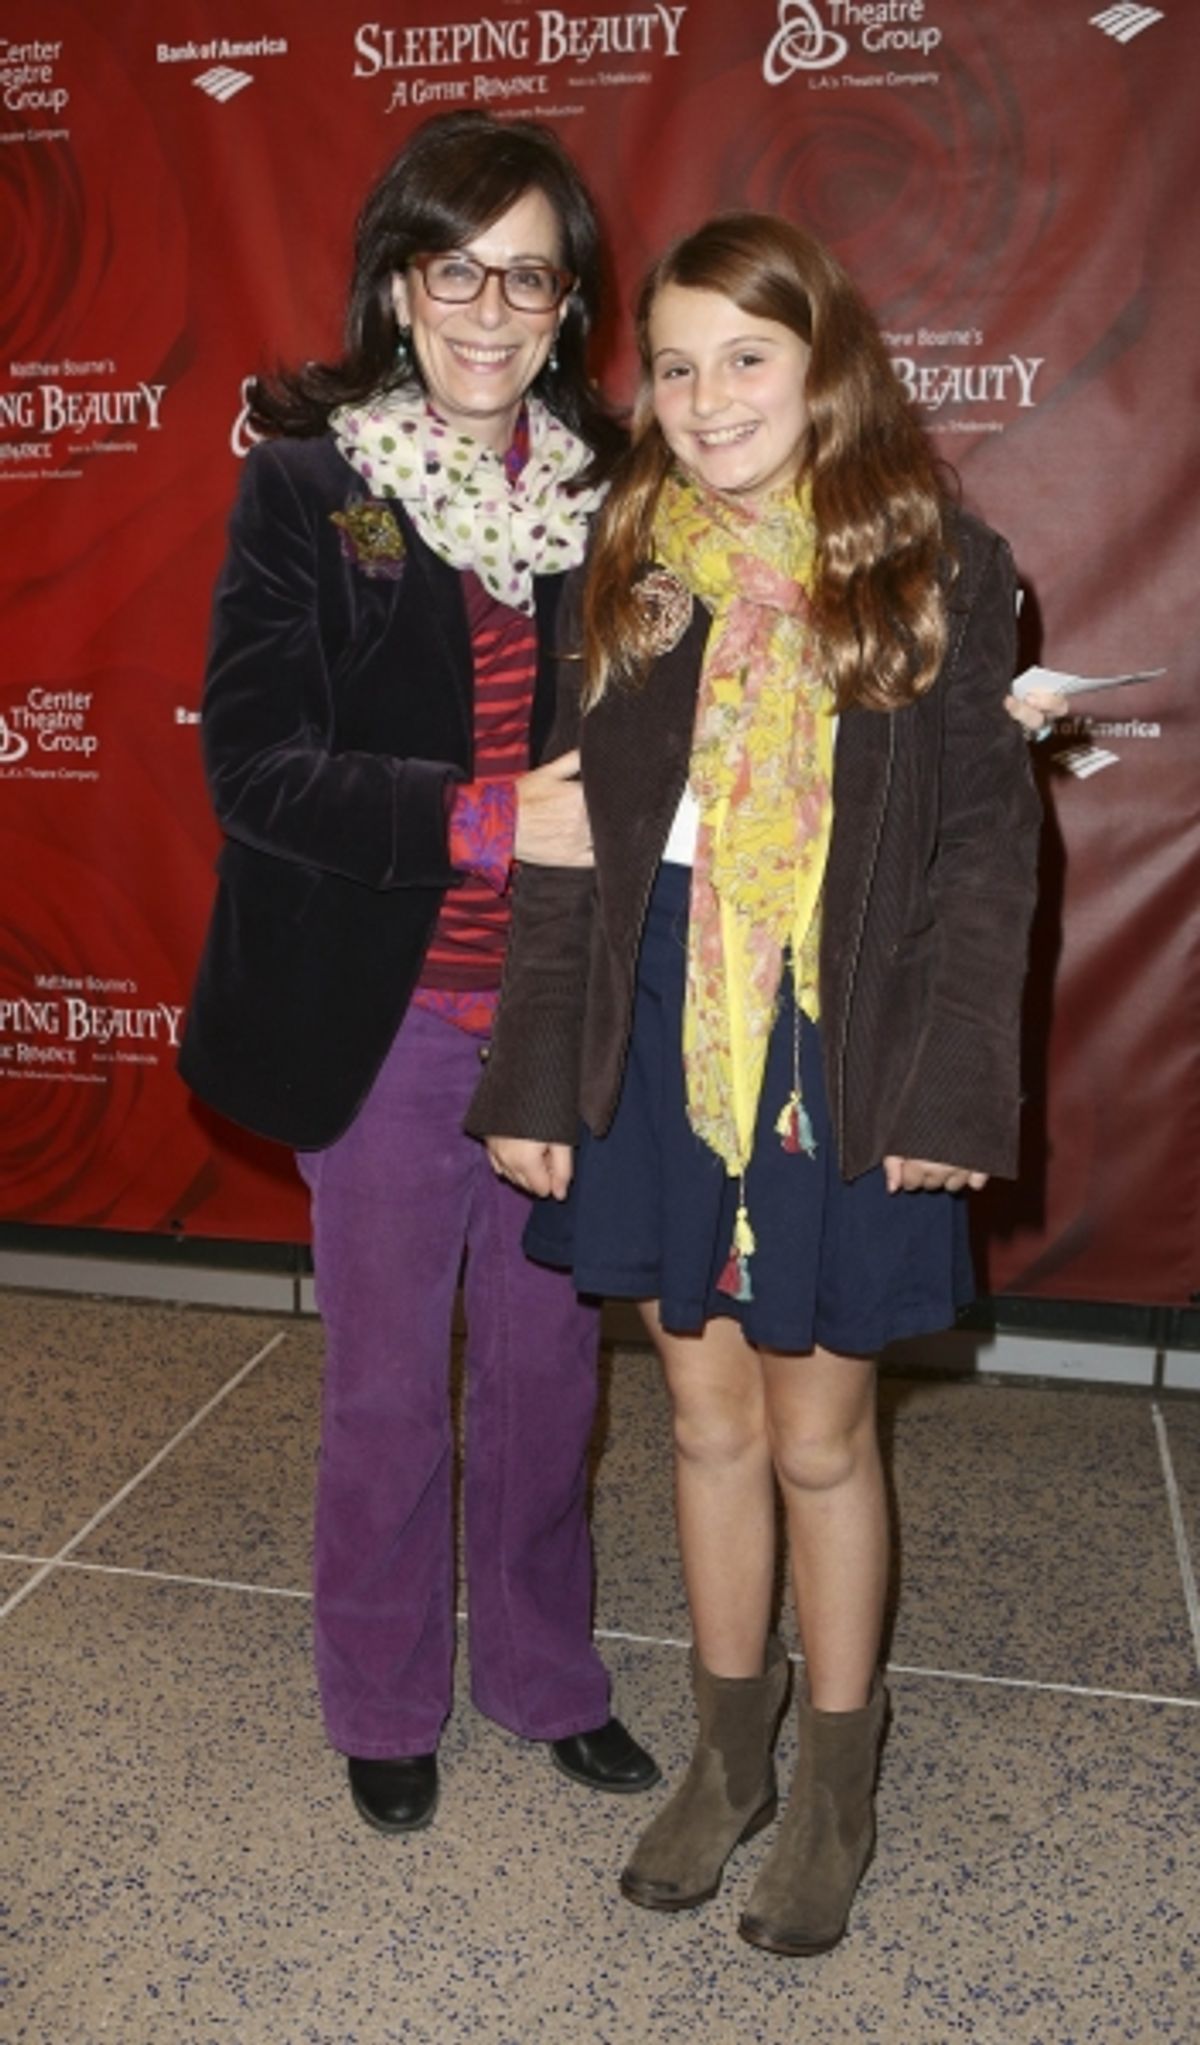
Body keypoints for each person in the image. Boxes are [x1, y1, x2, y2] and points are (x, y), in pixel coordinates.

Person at [468, 212, 1042, 1954]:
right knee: (703, 1418)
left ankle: (840, 1782)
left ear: (823, 366)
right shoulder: (628, 565)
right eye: (678, 364)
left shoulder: (933, 564)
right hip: (659, 1023)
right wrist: (533, 1076)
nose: (710, 397)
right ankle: (731, 1756)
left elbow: (984, 854)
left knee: (816, 1434)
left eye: (748, 357)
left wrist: (952, 1091)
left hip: (839, 1040)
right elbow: (568, 845)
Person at [178, 111, 660, 1836]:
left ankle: (544, 1675)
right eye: (455, 271)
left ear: (567, 305)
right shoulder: (315, 485)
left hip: (557, 1014)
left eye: (528, 278)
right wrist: (483, 819)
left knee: (550, 1376)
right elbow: (254, 764)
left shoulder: (620, 499)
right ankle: (383, 1695)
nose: (489, 310)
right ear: (397, 285)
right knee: (388, 1385)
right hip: (378, 1021)